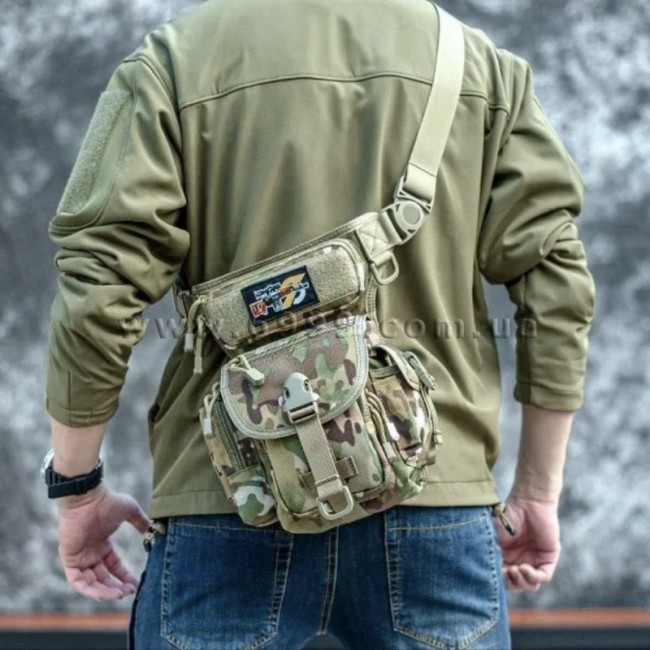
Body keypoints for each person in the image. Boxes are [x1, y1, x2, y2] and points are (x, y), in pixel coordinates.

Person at [44, 1, 595, 648]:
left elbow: (98, 293)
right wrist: (537, 491)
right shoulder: (480, 67)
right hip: (432, 497)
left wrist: (77, 488)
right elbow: (557, 284)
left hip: (228, 493)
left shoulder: (171, 63)